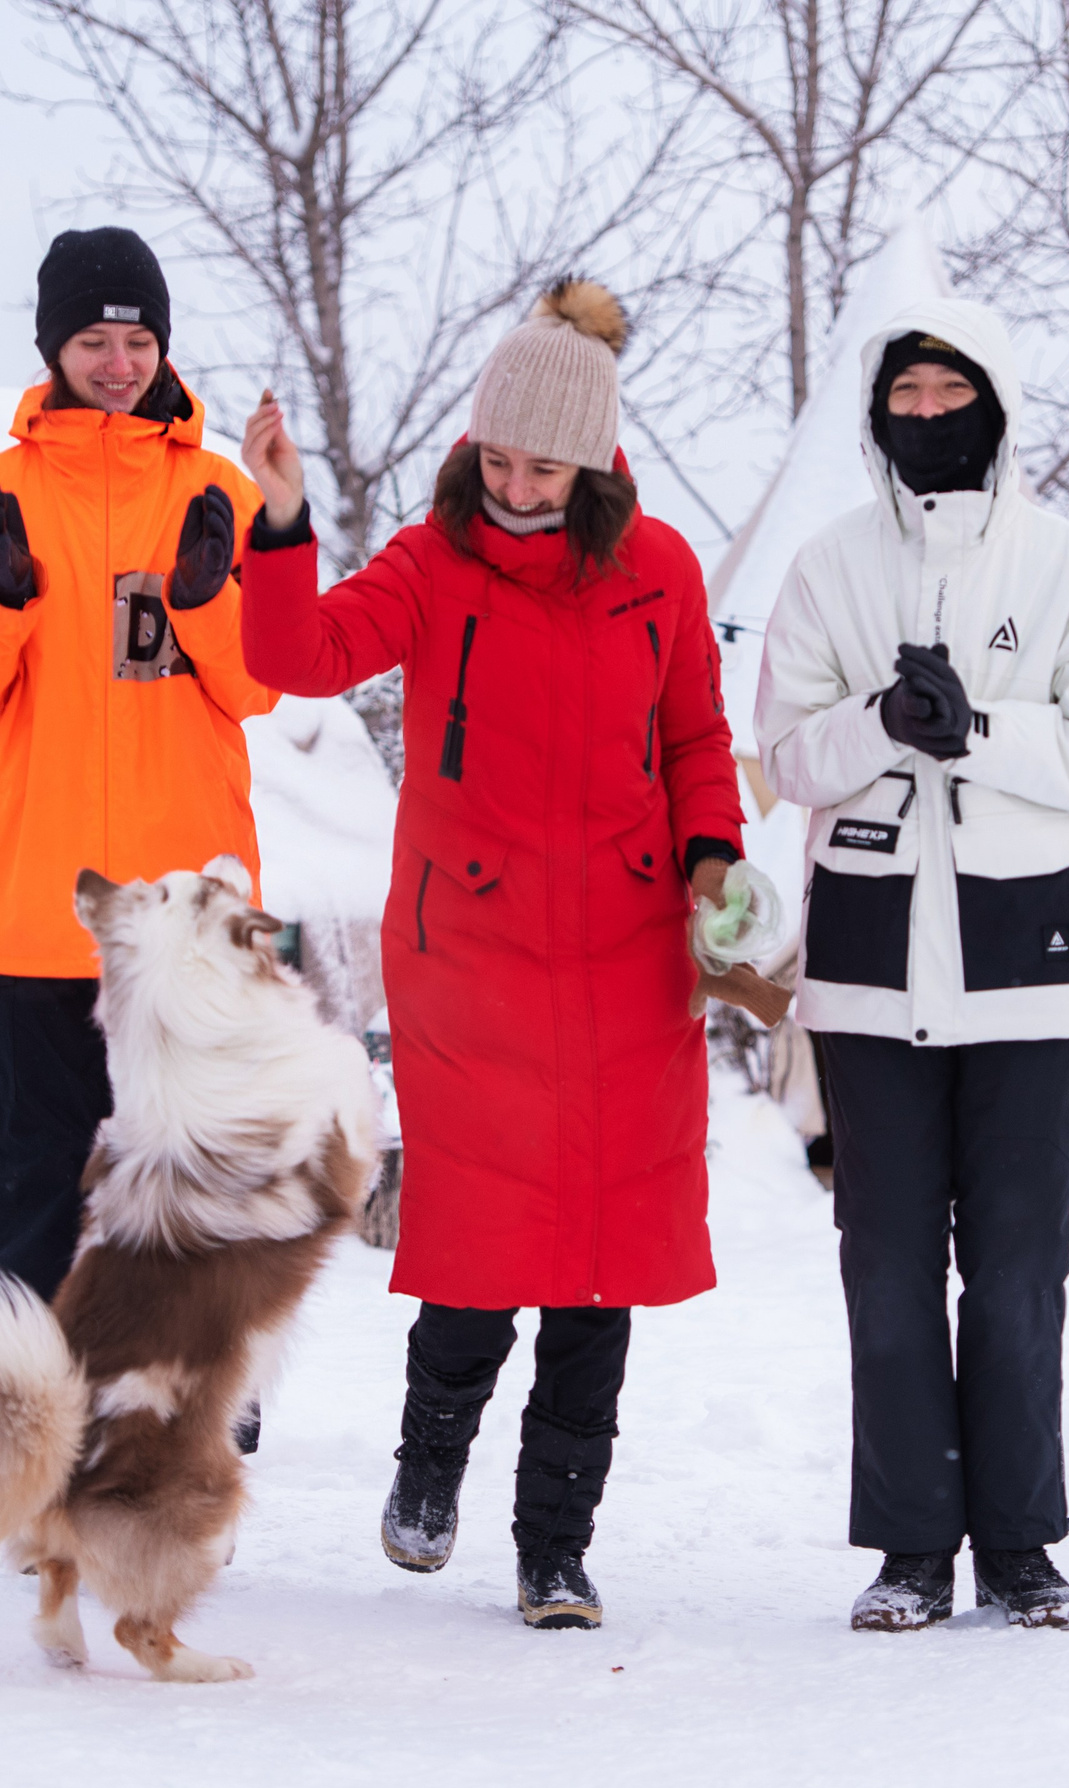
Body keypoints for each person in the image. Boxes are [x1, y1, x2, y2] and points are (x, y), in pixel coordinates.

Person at [237, 280, 744, 1630]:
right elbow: (298, 653)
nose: (517, 484)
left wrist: (711, 859)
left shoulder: (662, 575)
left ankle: (557, 1548)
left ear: (594, 461)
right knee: (481, 1236)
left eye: (545, 463)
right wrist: (281, 519)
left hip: (631, 950)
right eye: (500, 457)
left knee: (601, 1262)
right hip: (469, 942)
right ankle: (429, 1466)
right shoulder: (431, 562)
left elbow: (697, 740)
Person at [752, 301, 1069, 1632]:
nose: (928, 417)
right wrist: (882, 721)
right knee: (886, 1263)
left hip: (1027, 963)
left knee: (1023, 1263)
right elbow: (789, 753)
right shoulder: (828, 568)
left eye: (949, 394)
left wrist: (971, 729)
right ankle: (914, 1544)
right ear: (879, 416)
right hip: (871, 970)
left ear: (995, 404)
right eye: (906, 398)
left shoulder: (1062, 565)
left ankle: (1023, 1542)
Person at [0, 226, 275, 1314]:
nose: (117, 363)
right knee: (35, 1187)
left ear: (161, 346)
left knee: (200, 1178)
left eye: (135, 338)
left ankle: (201, 1418)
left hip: (189, 915)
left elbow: (259, 688)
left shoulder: (220, 494)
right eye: (91, 339)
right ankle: (29, 1423)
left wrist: (209, 600)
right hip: (35, 915)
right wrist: (0, 597)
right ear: (52, 348)